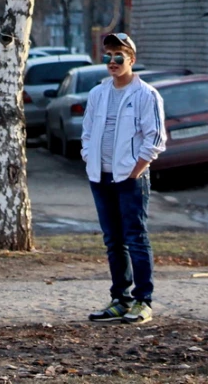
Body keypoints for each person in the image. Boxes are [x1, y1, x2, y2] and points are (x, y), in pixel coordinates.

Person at [81, 32, 166, 324]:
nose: (112, 62)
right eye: (108, 56)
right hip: (100, 177)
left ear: (132, 59)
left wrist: (135, 170)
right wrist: (88, 155)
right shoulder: (98, 93)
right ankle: (120, 298)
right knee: (113, 240)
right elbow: (88, 131)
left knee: (135, 237)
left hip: (131, 179)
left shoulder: (146, 95)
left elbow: (155, 138)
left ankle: (143, 300)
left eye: (119, 56)